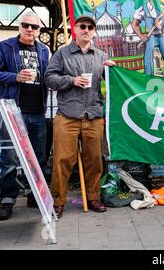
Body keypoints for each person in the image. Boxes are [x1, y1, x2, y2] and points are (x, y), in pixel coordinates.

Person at [44, 15, 115, 218]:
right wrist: (72, 80)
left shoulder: (101, 56)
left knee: (94, 159)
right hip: (68, 115)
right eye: (82, 26)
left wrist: (111, 71)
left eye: (90, 27)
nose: (86, 29)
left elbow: (109, 83)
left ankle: (93, 197)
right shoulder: (62, 53)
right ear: (75, 29)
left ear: (94, 31)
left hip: (93, 115)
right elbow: (49, 78)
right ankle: (58, 201)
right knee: (62, 160)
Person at [0, 11, 49, 221]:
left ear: (39, 30)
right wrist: (15, 77)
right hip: (14, 110)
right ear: (19, 27)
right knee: (11, 158)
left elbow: (47, 75)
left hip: (38, 111)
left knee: (38, 157)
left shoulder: (43, 49)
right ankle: (7, 200)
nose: (30, 29)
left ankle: (34, 194)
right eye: (26, 25)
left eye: (35, 27)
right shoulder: (6, 46)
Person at [132, 0, 164, 75]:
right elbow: (134, 24)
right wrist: (141, 36)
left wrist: (161, 25)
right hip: (150, 36)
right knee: (148, 58)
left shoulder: (160, 8)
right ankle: (148, 78)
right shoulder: (143, 8)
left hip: (160, 35)